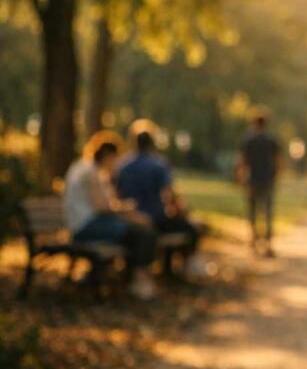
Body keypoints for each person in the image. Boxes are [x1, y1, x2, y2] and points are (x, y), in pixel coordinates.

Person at [63, 131, 159, 300]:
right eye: (115, 159)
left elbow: (104, 206)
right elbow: (102, 207)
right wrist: (125, 210)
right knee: (141, 233)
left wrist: (126, 212)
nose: (116, 164)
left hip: (87, 224)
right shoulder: (89, 172)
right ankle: (139, 280)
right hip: (86, 227)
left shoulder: (84, 168)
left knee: (139, 230)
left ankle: (133, 278)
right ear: (108, 156)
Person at [115, 121, 208, 279]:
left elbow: (116, 193)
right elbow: (169, 194)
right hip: (155, 218)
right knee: (191, 228)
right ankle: (185, 266)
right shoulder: (158, 164)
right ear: (152, 143)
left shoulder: (122, 165)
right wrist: (181, 209)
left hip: (130, 218)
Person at [236, 110, 281, 257]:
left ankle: (254, 240)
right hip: (268, 179)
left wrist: (240, 177)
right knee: (268, 212)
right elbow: (278, 161)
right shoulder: (272, 140)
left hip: (253, 180)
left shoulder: (248, 140)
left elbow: (243, 161)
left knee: (253, 211)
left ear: (254, 123)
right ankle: (268, 243)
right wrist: (276, 176)